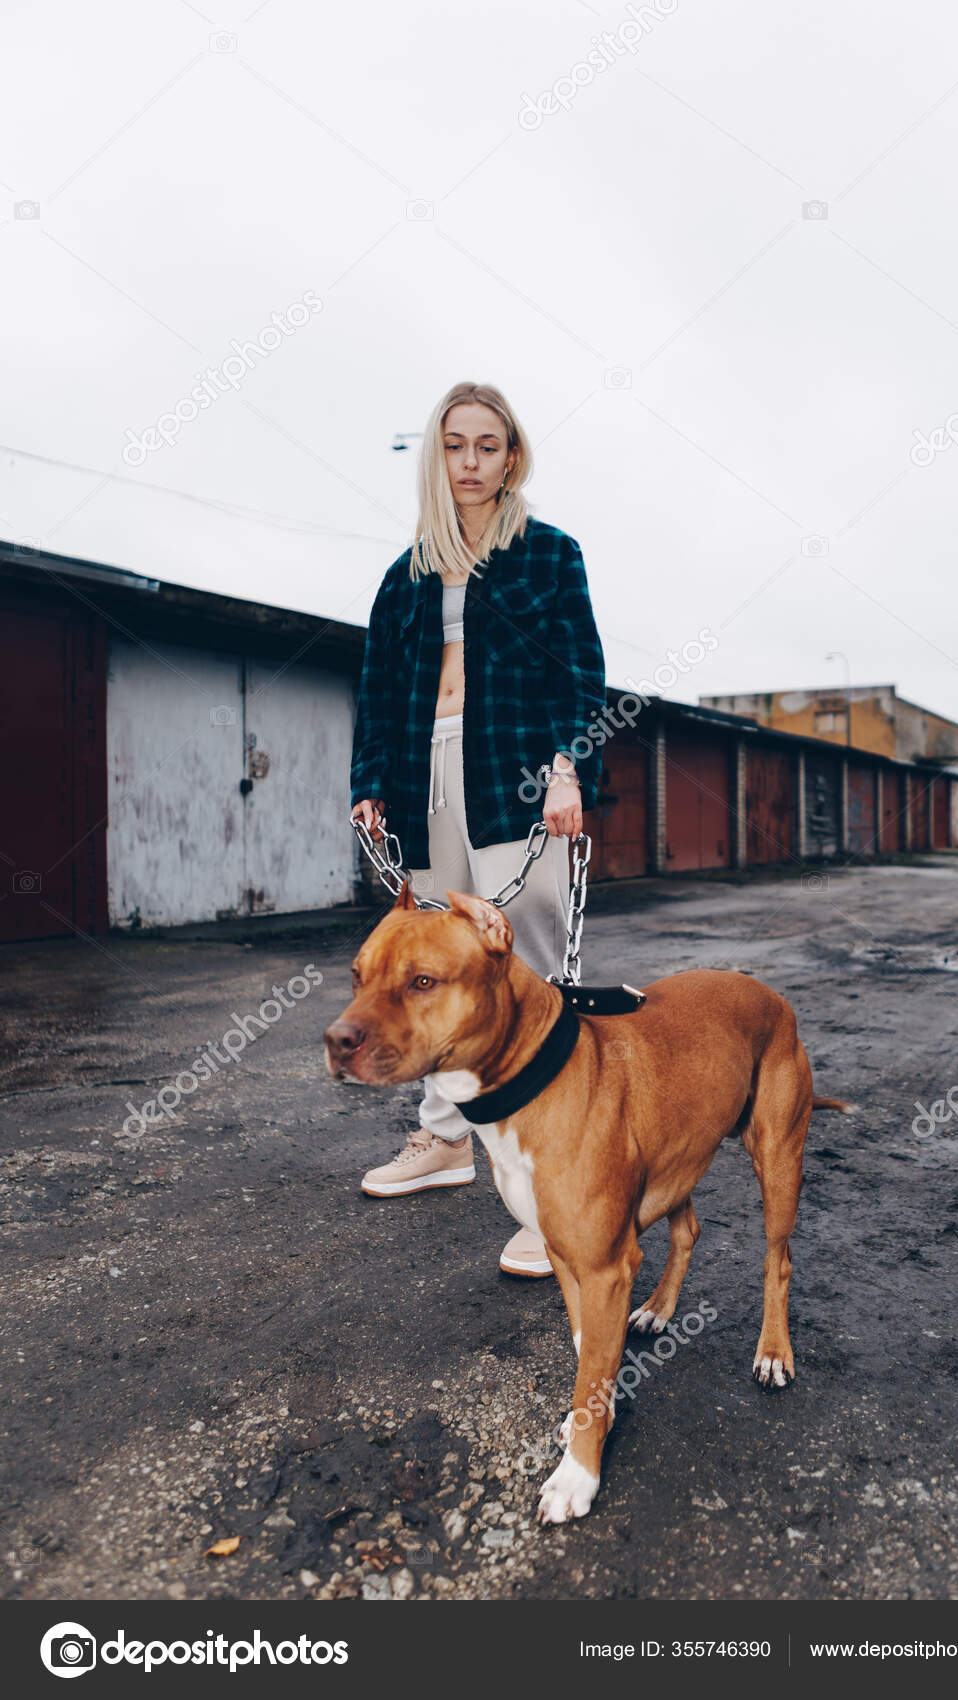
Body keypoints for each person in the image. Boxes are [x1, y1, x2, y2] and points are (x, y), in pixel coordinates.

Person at [348, 379, 607, 1276]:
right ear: (437, 454)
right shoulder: (406, 572)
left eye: (486, 445)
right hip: (427, 776)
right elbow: (379, 691)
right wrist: (370, 781)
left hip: (521, 776)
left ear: (511, 455)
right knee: (433, 967)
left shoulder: (547, 555)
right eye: (454, 445)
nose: (469, 461)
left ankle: (551, 1182)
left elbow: (582, 674)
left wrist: (571, 767)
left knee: (525, 962)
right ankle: (446, 1142)